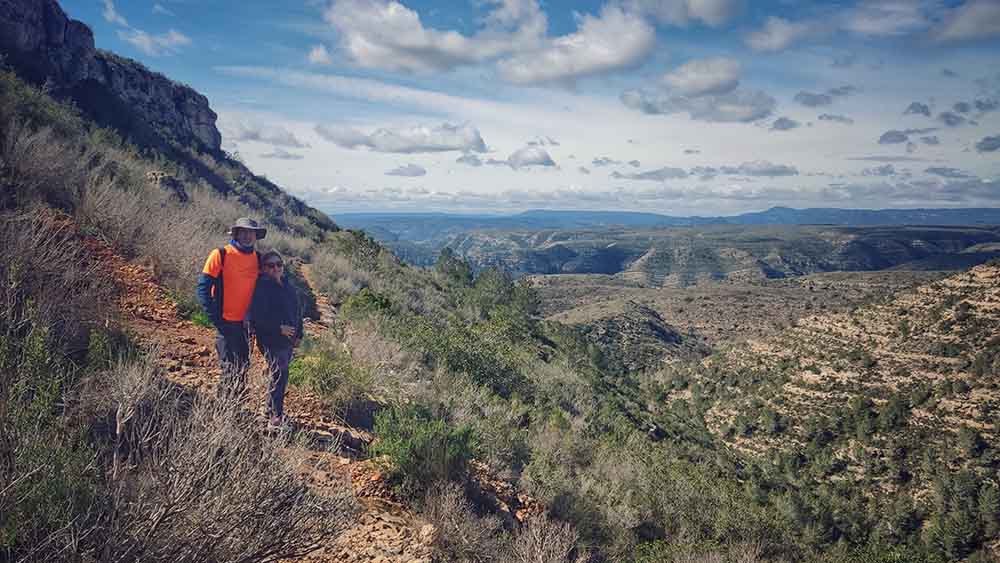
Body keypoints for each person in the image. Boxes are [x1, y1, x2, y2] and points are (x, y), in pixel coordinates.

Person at [197, 217, 266, 397]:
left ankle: (238, 412)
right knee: (229, 369)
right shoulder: (220, 254)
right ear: (235, 233)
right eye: (243, 232)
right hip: (226, 324)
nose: (247, 236)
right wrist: (217, 320)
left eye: (251, 232)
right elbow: (203, 288)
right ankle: (224, 413)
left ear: (256, 236)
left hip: (247, 327)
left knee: (243, 368)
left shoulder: (258, 259)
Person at [250, 251, 303, 430]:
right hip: (271, 339)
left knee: (279, 375)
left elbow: (297, 311)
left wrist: (299, 335)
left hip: (288, 341)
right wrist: (279, 328)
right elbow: (258, 317)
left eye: (278, 264)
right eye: (270, 265)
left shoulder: (288, 285)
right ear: (263, 269)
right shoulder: (261, 288)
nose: (275, 268)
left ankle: (270, 410)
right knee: (279, 375)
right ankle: (275, 417)